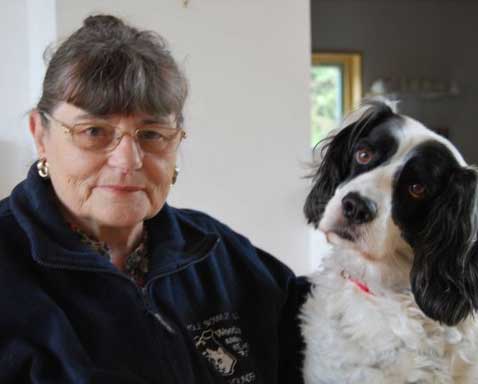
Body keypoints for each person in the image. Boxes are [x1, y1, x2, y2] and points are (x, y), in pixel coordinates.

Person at [0, 15, 305, 383]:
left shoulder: (220, 253)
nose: (128, 160)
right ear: (40, 134)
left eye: (152, 134)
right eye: (94, 131)